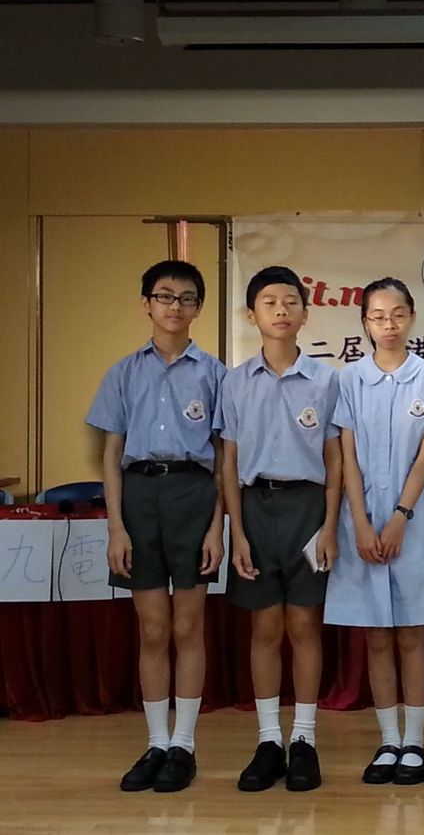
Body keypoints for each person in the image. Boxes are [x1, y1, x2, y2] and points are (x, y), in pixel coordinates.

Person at [88, 260, 225, 793]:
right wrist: (116, 528)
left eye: (186, 298)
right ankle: (156, 742)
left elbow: (224, 458)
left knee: (188, 627)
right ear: (146, 303)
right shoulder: (123, 373)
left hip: (194, 495)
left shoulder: (214, 374)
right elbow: (111, 454)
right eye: (164, 296)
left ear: (198, 308)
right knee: (152, 629)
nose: (175, 306)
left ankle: (184, 745)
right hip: (139, 497)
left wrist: (216, 528)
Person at [325, 278, 424, 786]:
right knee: (377, 635)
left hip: (412, 521)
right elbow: (347, 456)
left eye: (398, 314)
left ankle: (415, 742)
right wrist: (359, 522)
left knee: (411, 633)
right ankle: (388, 741)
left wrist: (401, 516)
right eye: (378, 316)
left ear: (412, 317)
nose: (389, 325)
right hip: (361, 519)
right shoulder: (350, 380)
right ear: (365, 324)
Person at [218, 266, 341, 793]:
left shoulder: (326, 380)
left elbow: (335, 460)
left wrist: (330, 526)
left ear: (305, 314)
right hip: (256, 508)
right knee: (265, 629)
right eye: (269, 302)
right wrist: (237, 532)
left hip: (309, 508)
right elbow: (228, 464)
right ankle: (269, 740)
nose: (281, 310)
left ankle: (304, 739)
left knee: (304, 627)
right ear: (252, 315)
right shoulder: (234, 381)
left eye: (290, 301)